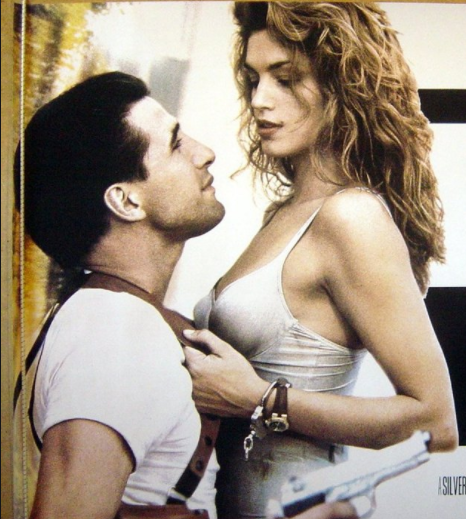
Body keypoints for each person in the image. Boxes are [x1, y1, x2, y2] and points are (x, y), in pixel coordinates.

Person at [182, 3, 459, 518]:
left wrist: (262, 399)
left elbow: (435, 422)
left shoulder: (351, 217)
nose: (260, 100)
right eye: (254, 79)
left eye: (286, 79)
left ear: (343, 85)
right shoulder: (286, 213)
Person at [14, 71, 226, 519]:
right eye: (175, 144)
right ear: (126, 201)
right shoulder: (116, 333)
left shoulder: (101, 315)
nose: (204, 153)